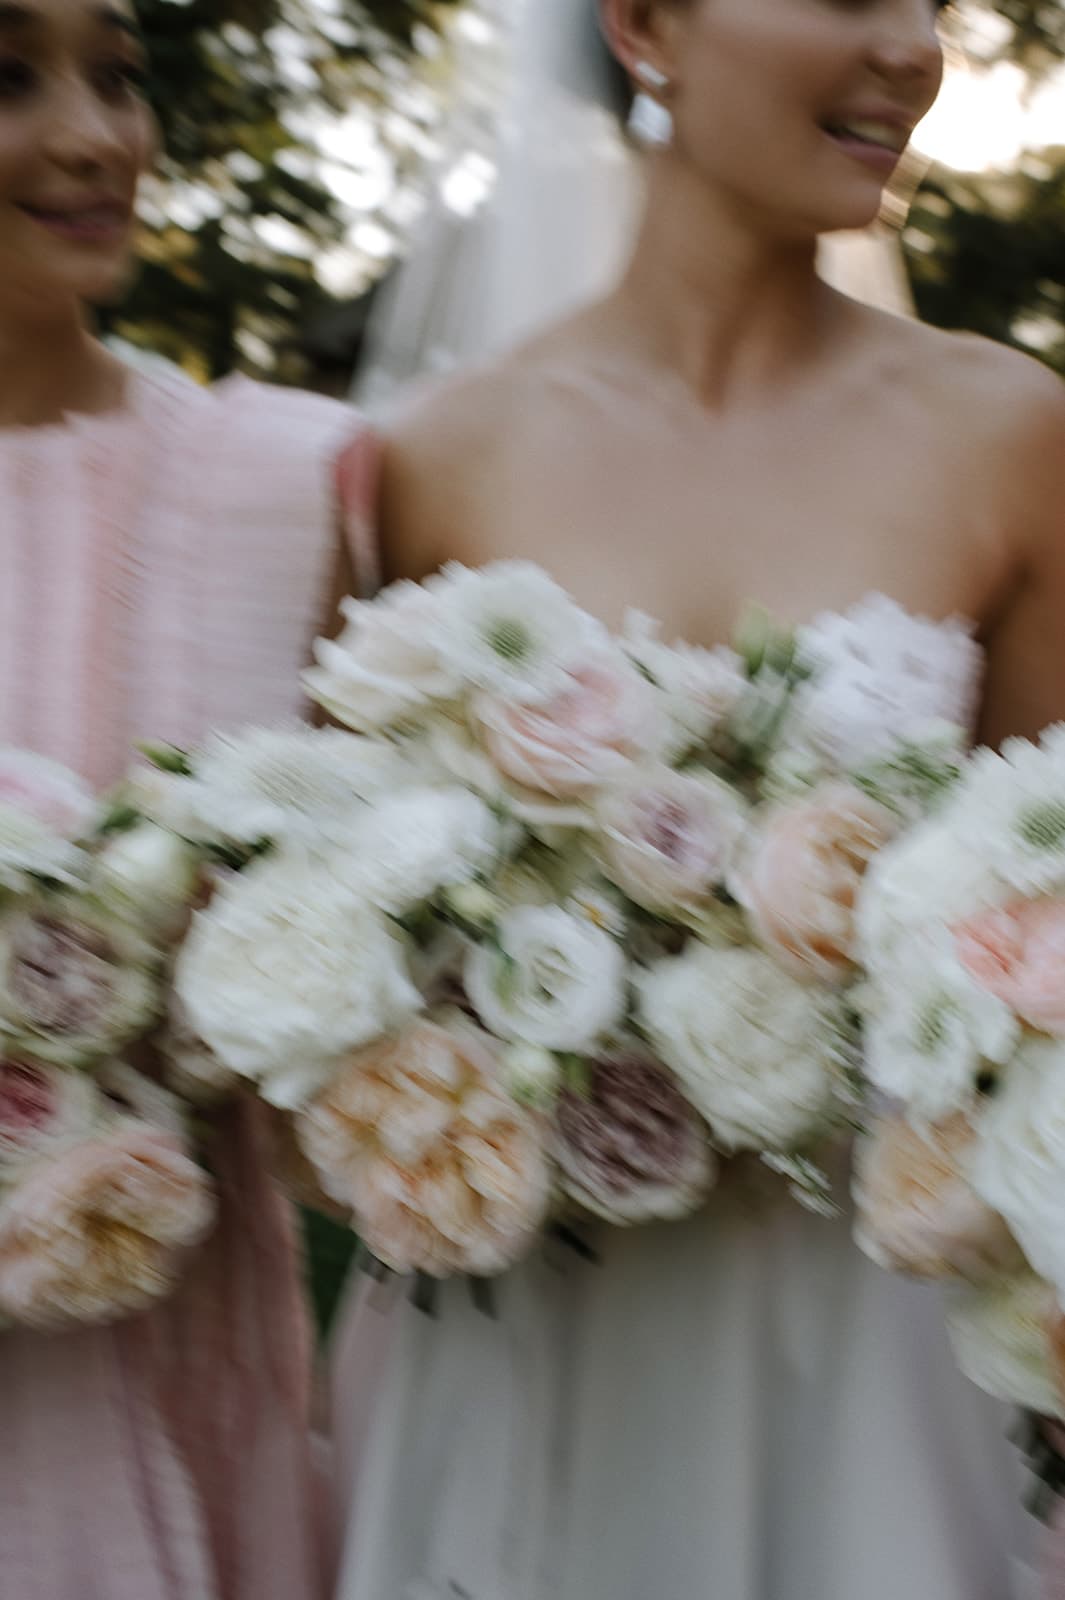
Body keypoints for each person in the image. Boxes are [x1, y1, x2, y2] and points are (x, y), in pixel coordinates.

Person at [330, 2, 1065, 1597]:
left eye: (921, 2)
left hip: (877, 1338)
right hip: (554, 1320)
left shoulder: (1011, 435)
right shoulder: (431, 460)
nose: (909, 50)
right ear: (648, 23)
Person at [0, 3, 376, 1595]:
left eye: (120, 72)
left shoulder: (290, 486)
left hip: (190, 1414)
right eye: (8, 77)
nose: (97, 136)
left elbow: (367, 1054)